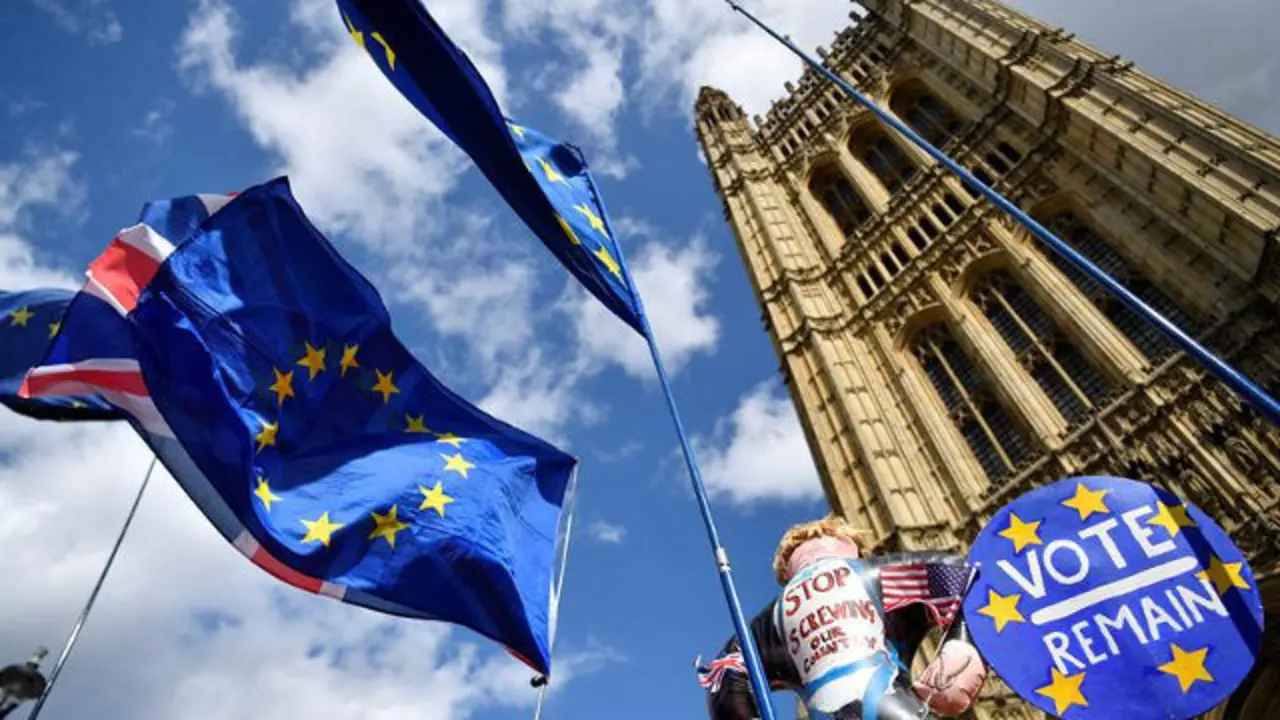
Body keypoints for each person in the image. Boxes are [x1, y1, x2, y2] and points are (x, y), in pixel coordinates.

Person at [695, 516, 986, 719]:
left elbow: (724, 672)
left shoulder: (774, 620)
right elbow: (962, 577)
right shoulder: (871, 574)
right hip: (895, 706)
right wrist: (961, 648)